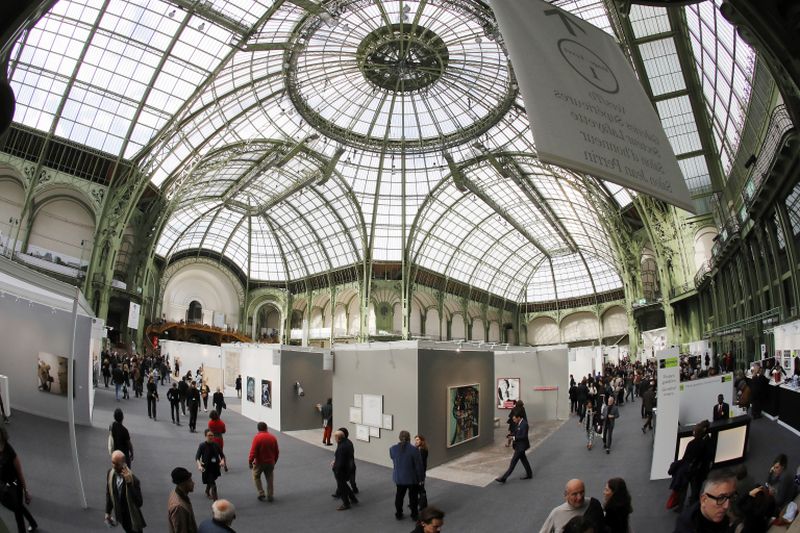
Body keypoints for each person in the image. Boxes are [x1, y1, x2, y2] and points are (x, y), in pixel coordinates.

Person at [0, 426, 37, 533]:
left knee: (18, 512)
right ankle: (33, 523)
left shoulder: (10, 453)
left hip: (14, 486)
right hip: (3, 485)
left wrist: (26, 492)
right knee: (19, 507)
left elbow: (20, 474)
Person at [105, 450, 146, 532]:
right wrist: (108, 512)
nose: (113, 466)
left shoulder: (134, 480)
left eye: (117, 464)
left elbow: (139, 502)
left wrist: (129, 484)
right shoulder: (110, 473)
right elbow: (109, 493)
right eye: (112, 462)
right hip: (121, 515)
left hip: (132, 517)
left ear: (124, 464)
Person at [390, 430, 425, 521]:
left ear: (399, 438)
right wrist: (421, 478)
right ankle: (414, 515)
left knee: (399, 496)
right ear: (409, 438)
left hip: (399, 478)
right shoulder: (414, 450)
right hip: (412, 479)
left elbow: (393, 459)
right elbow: (419, 466)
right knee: (413, 497)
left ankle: (398, 513)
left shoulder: (392, 449)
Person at [495, 413, 532, 483]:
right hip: (519, 446)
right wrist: (511, 435)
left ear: (519, 417)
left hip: (521, 447)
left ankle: (503, 478)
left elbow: (524, 436)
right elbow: (516, 432)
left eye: (514, 419)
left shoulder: (524, 424)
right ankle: (529, 474)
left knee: (513, 462)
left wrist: (513, 438)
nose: (514, 420)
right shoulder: (519, 423)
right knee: (524, 460)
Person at [248, 421, 279, 502]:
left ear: (258, 429)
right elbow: (277, 452)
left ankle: (261, 493)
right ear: (266, 428)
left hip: (259, 463)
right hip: (270, 462)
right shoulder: (273, 437)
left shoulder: (257, 438)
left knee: (256, 476)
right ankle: (270, 495)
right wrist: (274, 461)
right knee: (269, 479)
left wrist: (250, 462)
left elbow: (253, 452)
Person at [196, 429, 226, 501]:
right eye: (209, 435)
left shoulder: (216, 445)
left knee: (211, 480)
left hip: (215, 467)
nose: (211, 437)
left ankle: (206, 491)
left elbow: (222, 456)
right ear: (205, 436)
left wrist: (222, 461)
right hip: (207, 468)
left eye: (212, 435)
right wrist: (199, 465)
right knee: (213, 485)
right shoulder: (202, 445)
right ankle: (216, 502)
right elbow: (197, 457)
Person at [331, 429, 357, 510]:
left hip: (341, 471)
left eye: (335, 438)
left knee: (342, 487)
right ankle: (353, 498)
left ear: (338, 438)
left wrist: (336, 469)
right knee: (344, 485)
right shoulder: (348, 442)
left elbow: (341, 462)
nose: (334, 439)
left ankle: (346, 504)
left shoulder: (341, 447)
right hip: (348, 468)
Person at [167, 466, 197, 533]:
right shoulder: (179, 507)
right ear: (183, 483)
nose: (193, 483)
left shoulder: (175, 493)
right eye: (190, 481)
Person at [414, 434, 429, 508]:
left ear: (422, 441)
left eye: (417, 440)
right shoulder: (418, 449)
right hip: (418, 472)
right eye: (415, 440)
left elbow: (421, 464)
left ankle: (423, 505)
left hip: (420, 473)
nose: (416, 441)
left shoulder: (422, 451)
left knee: (421, 489)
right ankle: (420, 503)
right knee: (419, 489)